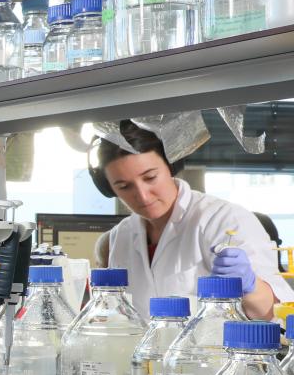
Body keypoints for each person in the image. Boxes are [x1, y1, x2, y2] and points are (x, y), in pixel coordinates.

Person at [90, 120, 292, 320]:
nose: (143, 196)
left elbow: (276, 315)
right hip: (143, 351)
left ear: (171, 165)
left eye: (150, 177)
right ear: (109, 189)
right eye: (124, 187)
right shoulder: (120, 236)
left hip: (214, 352)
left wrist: (251, 287)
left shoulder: (225, 219)